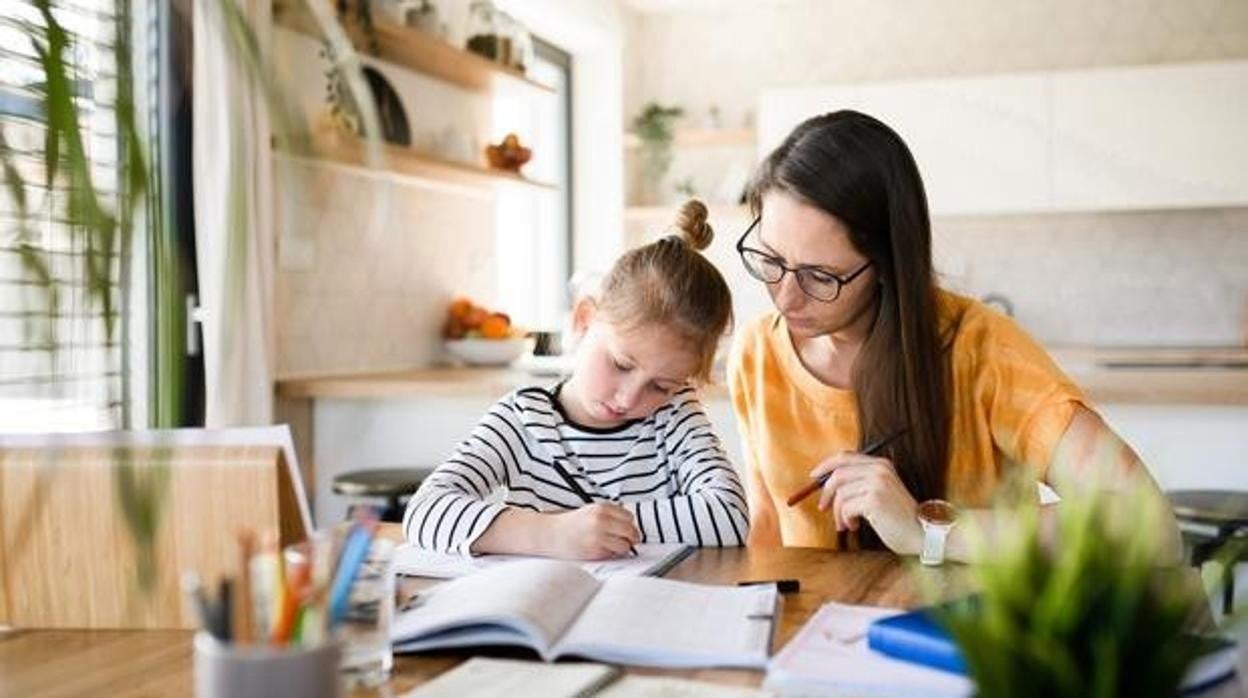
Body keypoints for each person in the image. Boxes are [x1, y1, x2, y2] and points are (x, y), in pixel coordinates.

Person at [727, 110, 1179, 562]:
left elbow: (1149, 526)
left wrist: (927, 530)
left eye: (820, 276)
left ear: (886, 265)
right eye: (769, 259)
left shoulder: (983, 350)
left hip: (965, 628)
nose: (785, 298)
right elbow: (766, 536)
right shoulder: (755, 352)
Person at [405, 201, 749, 559]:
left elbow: (731, 514)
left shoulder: (674, 415)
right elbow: (425, 512)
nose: (629, 399)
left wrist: (602, 527)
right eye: (621, 364)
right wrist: (549, 533)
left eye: (661, 386)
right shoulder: (522, 419)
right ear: (584, 320)